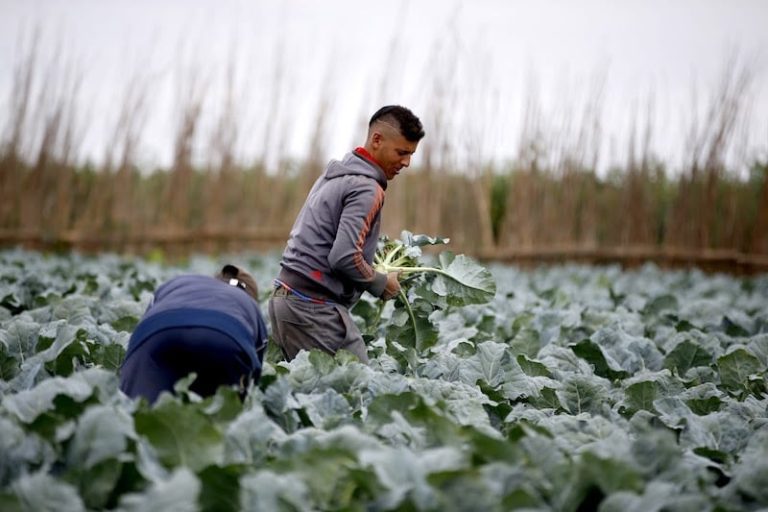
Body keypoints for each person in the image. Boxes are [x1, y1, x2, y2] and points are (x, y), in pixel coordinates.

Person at [269, 105, 425, 363]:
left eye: (411, 155)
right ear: (376, 140)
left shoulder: (334, 175)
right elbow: (343, 256)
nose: (407, 162)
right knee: (358, 389)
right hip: (312, 308)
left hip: (286, 300)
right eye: (402, 152)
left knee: (309, 397)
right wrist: (381, 282)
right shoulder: (367, 188)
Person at [119, 264, 268, 403]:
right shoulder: (249, 305)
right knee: (222, 419)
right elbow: (254, 374)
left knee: (137, 411)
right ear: (249, 295)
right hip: (224, 338)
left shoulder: (180, 282)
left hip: (157, 332)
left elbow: (145, 322)